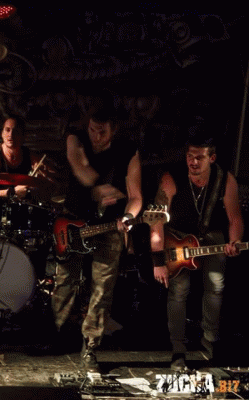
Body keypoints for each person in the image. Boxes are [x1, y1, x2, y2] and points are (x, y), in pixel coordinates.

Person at [51, 104, 142, 372]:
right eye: (93, 130)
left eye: (102, 132)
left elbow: (135, 197)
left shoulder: (128, 151)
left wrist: (128, 217)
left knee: (102, 289)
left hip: (108, 226)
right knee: (64, 281)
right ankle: (57, 334)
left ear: (113, 130)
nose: (96, 136)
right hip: (73, 222)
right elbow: (79, 165)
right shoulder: (76, 138)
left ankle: (90, 346)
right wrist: (99, 187)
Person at [151, 133, 243, 371]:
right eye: (190, 156)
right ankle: (178, 350)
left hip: (211, 236)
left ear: (212, 158)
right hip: (177, 238)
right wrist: (158, 260)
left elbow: (234, 217)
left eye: (199, 157)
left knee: (216, 286)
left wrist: (234, 241)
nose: (193, 162)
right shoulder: (172, 178)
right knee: (179, 291)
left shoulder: (225, 179)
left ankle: (210, 342)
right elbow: (156, 219)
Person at [0, 116, 52, 200]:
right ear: (2, 133)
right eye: (7, 130)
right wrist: (12, 192)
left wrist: (44, 175)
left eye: (16, 131)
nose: (11, 134)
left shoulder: (30, 156)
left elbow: (50, 185)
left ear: (23, 135)